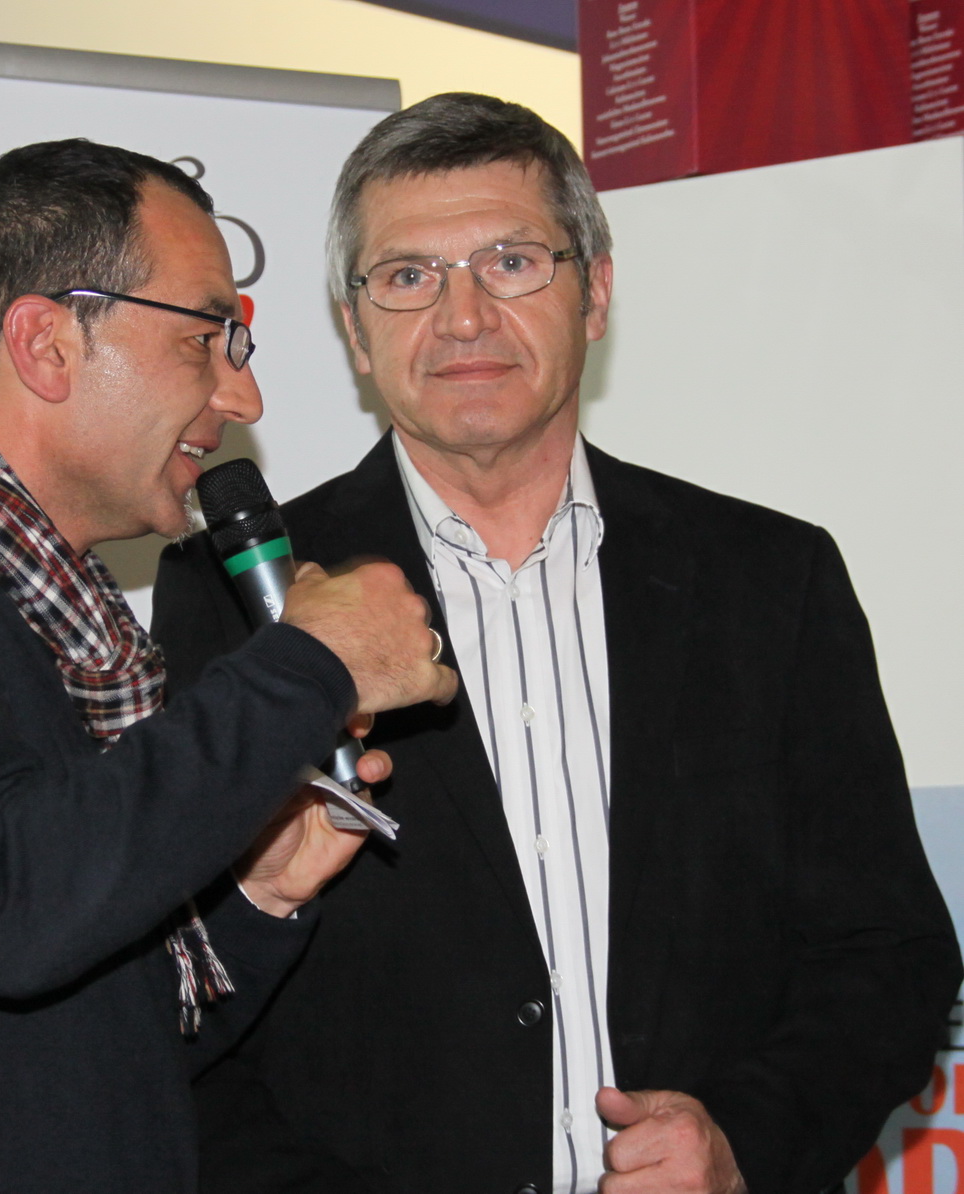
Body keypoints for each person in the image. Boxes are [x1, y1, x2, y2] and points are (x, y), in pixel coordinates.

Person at [153, 93, 961, 1194]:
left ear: (597, 292)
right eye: (408, 276)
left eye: (512, 262)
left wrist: (743, 1143)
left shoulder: (771, 581)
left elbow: (887, 953)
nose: (464, 317)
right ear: (354, 330)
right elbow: (175, 999)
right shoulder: (233, 598)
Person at [0, 138, 457, 1194]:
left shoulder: (79, 629)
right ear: (46, 344)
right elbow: (10, 912)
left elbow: (96, 1058)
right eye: (206, 338)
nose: (243, 396)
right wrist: (307, 664)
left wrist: (259, 897)